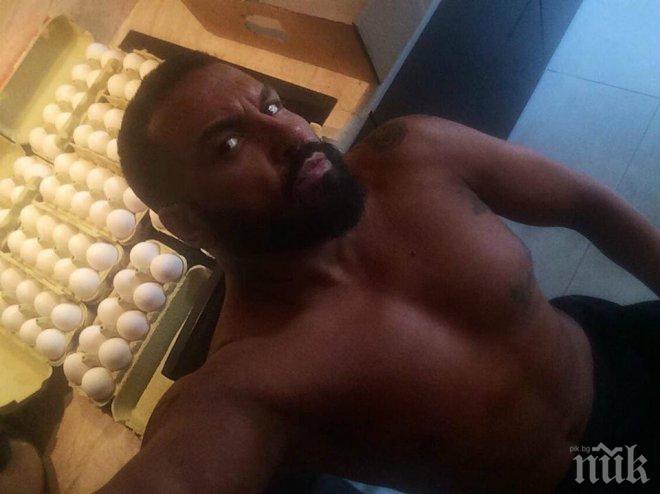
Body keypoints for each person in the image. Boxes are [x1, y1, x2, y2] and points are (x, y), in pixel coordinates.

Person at [99, 51, 659, 493]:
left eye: (270, 106)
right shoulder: (247, 381)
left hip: (619, 350)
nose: (293, 134)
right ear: (186, 224)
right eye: (228, 145)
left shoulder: (416, 153)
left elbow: (585, 204)